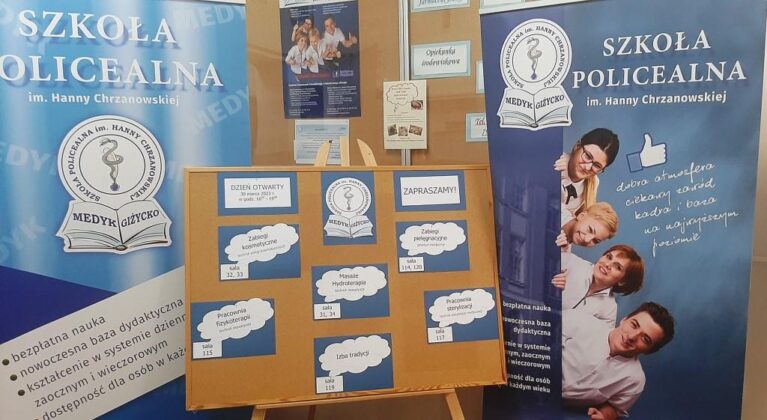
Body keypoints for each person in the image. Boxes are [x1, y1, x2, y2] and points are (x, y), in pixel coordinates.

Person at [562, 302, 675, 419]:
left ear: (649, 351)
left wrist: (604, 415)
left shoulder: (635, 380)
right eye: (634, 325)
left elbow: (615, 407)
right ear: (624, 319)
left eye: (645, 339)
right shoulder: (577, 320)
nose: (631, 337)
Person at [552, 244, 643, 323]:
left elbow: (592, 337)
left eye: (618, 267)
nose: (607, 264)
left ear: (622, 281)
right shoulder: (571, 263)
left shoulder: (609, 310)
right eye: (609, 257)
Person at [556, 128, 620, 224]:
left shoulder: (593, 183)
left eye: (597, 166)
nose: (587, 167)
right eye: (588, 156)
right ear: (577, 146)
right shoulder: (556, 161)